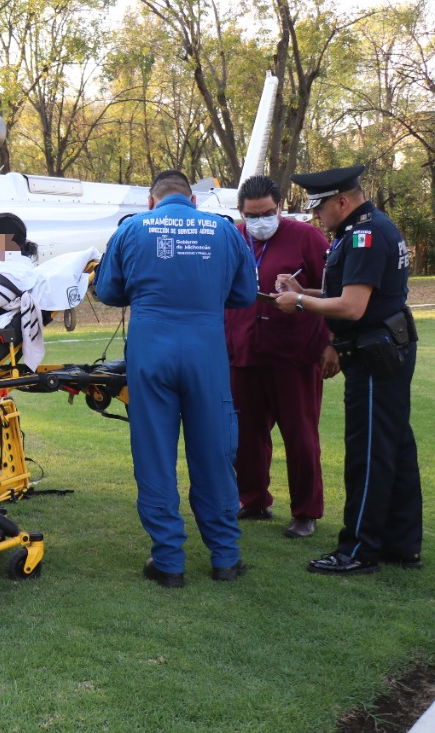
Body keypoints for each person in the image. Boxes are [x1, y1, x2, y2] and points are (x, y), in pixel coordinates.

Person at [95, 169, 257, 587]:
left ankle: (168, 562)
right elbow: (244, 295)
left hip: (150, 352)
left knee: (154, 454)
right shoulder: (224, 231)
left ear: (151, 201)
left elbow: (108, 291)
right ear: (194, 200)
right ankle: (225, 557)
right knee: (215, 452)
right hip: (206, 352)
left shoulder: (132, 229)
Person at [274, 164, 422, 575]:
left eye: (319, 208)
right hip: (385, 347)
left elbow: (353, 307)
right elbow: (353, 294)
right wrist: (306, 291)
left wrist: (299, 303)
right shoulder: (369, 227)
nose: (316, 216)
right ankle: (401, 544)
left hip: (374, 354)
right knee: (395, 448)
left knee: (369, 453)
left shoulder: (364, 235)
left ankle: (358, 550)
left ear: (342, 202)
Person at [224, 176, 335, 539]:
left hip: (295, 353)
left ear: (281, 207)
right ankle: (253, 499)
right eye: (253, 215)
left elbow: (336, 292)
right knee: (246, 436)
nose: (261, 220)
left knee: (300, 436)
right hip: (243, 351)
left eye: (268, 212)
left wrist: (332, 342)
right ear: (241, 212)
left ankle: (306, 511)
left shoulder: (307, 237)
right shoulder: (233, 237)